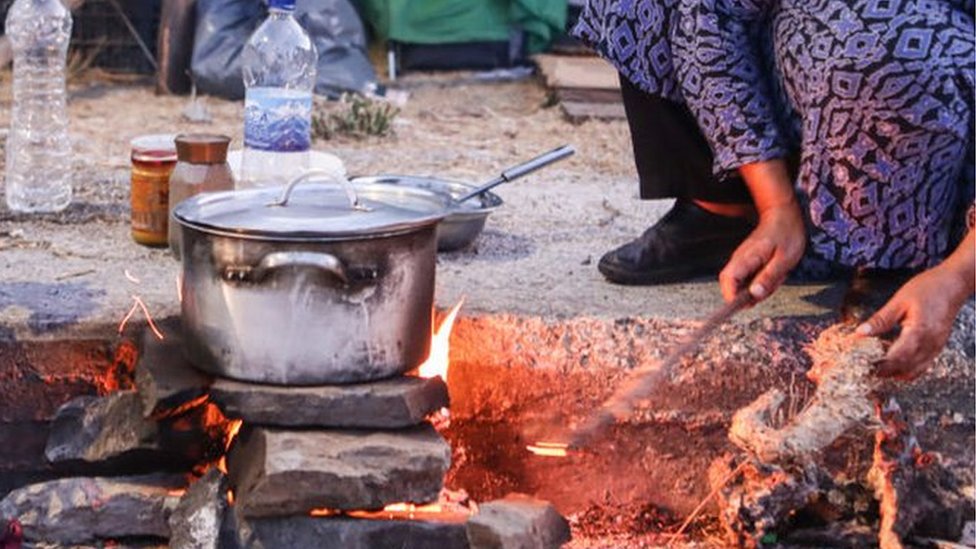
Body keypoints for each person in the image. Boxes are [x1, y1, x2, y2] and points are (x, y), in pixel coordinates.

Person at [573, 0, 975, 379]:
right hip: (811, 63)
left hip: (927, 96)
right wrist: (774, 203)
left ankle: (892, 254)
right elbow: (712, 14)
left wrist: (956, 279)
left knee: (885, 49)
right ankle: (726, 210)